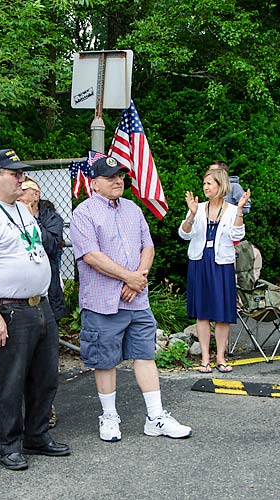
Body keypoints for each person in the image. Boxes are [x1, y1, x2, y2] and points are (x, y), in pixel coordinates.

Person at [71, 156, 192, 443]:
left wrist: (137, 279)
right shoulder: (83, 213)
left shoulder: (132, 209)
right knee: (105, 360)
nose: (118, 181)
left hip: (136, 299)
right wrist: (128, 277)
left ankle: (156, 416)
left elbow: (147, 246)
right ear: (94, 182)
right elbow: (91, 256)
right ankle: (109, 417)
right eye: (111, 177)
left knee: (145, 355)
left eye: (121, 176)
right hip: (102, 302)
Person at [0, 149, 68, 471]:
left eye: (22, 173)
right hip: (10, 310)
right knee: (9, 381)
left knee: (45, 377)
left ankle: (36, 435)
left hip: (40, 305)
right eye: (16, 174)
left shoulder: (22, 211)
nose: (21, 178)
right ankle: (7, 443)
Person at [180, 168, 249, 373]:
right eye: (204, 184)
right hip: (200, 262)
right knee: (202, 313)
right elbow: (184, 234)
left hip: (221, 264)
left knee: (222, 313)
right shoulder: (198, 208)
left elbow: (237, 233)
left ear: (221, 185)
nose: (205, 187)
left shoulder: (231, 209)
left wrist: (239, 211)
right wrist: (192, 214)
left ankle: (220, 357)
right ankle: (204, 358)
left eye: (209, 183)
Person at [18, 175, 66, 428]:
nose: (20, 192)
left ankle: (47, 409)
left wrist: (30, 221)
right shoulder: (9, 216)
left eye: (25, 189)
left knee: (46, 360)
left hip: (48, 294)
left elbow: (50, 244)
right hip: (18, 299)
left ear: (35, 195)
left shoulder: (50, 218)